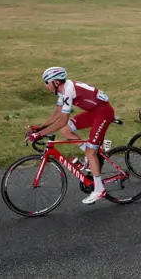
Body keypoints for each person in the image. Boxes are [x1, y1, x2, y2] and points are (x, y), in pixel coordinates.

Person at [26, 67, 115, 205]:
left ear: (56, 82)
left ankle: (99, 189)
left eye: (46, 82)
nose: (45, 85)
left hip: (103, 113)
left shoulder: (68, 90)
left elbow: (62, 120)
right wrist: (41, 127)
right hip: (94, 111)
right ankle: (92, 153)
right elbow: (58, 112)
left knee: (90, 151)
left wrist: (39, 134)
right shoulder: (63, 89)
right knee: (66, 131)